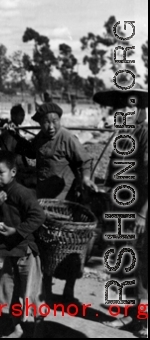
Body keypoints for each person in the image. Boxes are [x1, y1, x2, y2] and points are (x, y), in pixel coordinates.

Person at [6, 102, 99, 302]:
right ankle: (46, 289)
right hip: (44, 201)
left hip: (65, 202)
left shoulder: (67, 138)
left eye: (54, 121)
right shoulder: (40, 138)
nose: (50, 126)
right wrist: (15, 135)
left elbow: (85, 161)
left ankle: (68, 292)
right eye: (45, 122)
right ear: (39, 124)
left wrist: (86, 179)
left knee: (71, 246)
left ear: (60, 120)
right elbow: (30, 152)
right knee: (46, 244)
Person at [93, 89, 148, 338]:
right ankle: (131, 314)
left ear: (139, 112)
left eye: (129, 109)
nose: (124, 113)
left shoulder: (145, 135)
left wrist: (143, 215)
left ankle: (145, 320)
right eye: (121, 109)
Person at [0, 150, 46, 338]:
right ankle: (16, 327)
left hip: (26, 252)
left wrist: (16, 232)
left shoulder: (22, 193)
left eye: (0, 172)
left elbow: (38, 216)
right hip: (10, 252)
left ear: (13, 172)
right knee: (10, 290)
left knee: (31, 292)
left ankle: (38, 328)